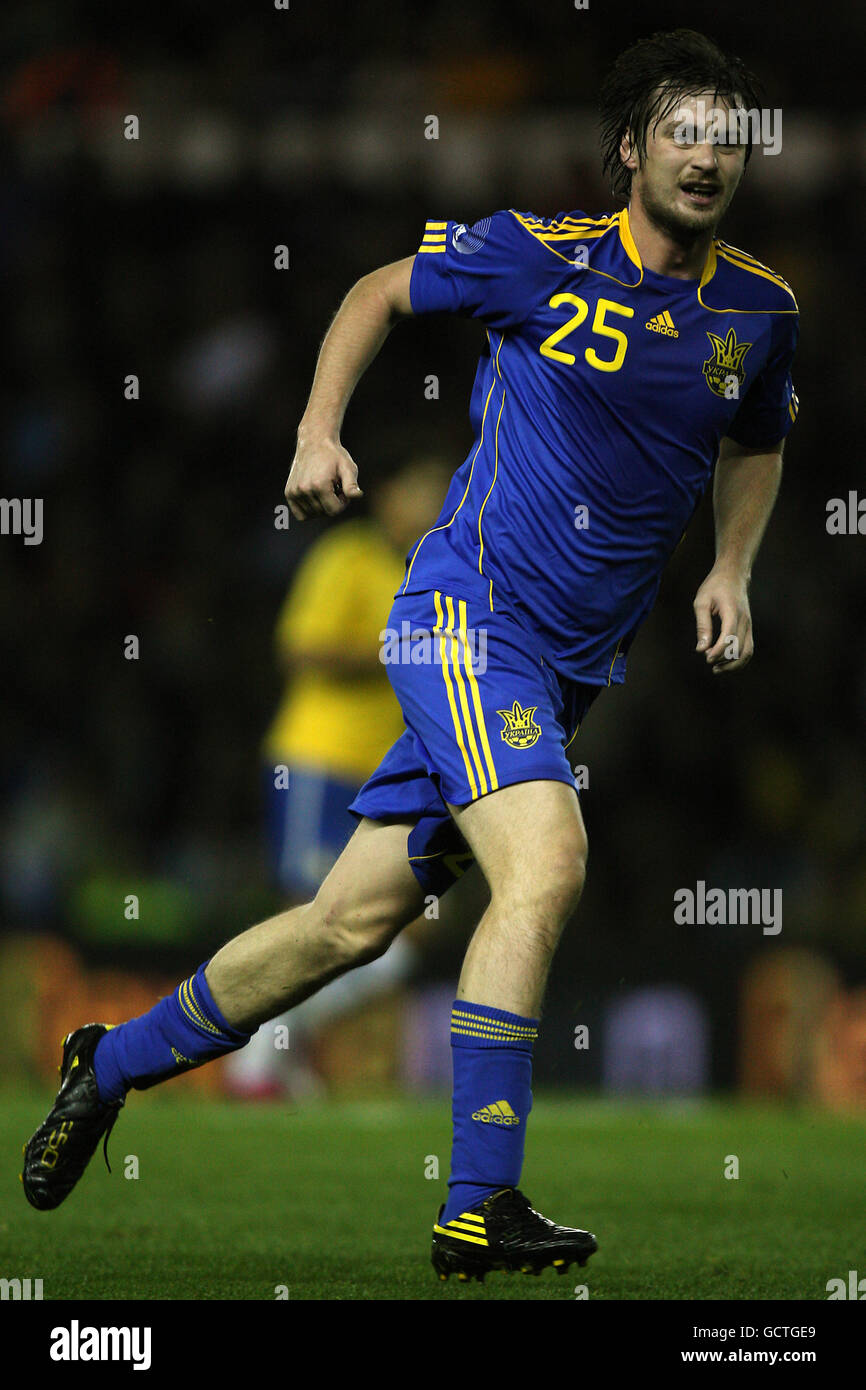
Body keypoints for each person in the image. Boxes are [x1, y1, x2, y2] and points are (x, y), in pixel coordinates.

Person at [23, 29, 798, 1287]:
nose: (707, 154)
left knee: (347, 925)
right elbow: (374, 291)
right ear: (629, 150)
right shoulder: (535, 256)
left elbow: (754, 437)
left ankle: (104, 1065)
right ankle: (479, 1200)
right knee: (545, 862)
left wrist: (730, 566)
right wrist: (317, 432)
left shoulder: (761, 312)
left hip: (562, 672)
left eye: (728, 135)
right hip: (463, 616)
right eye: (682, 131)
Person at [225, 456, 449, 1098]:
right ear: (389, 497)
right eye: (423, 489)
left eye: (442, 490)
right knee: (311, 915)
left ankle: (271, 1043)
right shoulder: (348, 556)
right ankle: (262, 1061)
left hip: (396, 772)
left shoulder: (441, 569)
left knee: (410, 930)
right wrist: (396, 648)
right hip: (319, 762)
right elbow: (299, 649)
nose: (433, 504)